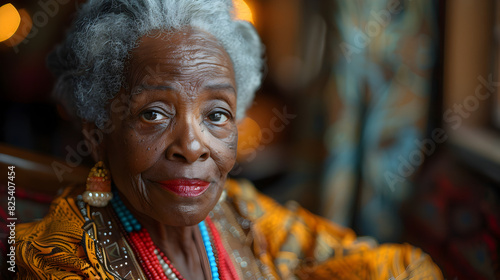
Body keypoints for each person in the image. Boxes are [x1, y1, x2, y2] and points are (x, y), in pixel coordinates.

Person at [14, 0, 443, 279]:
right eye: (154, 113)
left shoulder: (240, 212)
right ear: (98, 132)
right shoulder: (61, 257)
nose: (193, 144)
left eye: (216, 114)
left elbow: (406, 269)